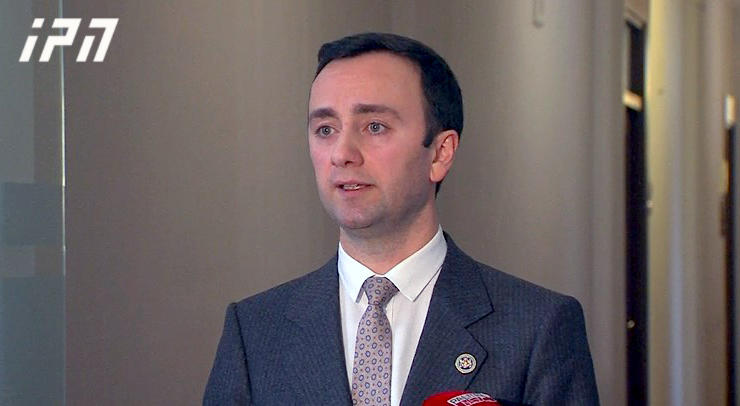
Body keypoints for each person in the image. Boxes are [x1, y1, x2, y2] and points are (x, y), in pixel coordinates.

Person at [203, 32, 599, 406]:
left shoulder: (536, 327)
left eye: (374, 127)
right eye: (325, 129)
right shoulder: (254, 331)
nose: (342, 153)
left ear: (440, 153)